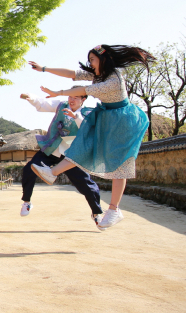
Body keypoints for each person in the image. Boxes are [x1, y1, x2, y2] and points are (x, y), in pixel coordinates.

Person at [29, 44, 154, 229]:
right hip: (107, 116)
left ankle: (114, 210)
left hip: (123, 121)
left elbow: (83, 91)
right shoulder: (99, 75)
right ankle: (53, 172)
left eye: (93, 60)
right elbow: (73, 73)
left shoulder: (113, 81)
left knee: (121, 164)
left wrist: (59, 93)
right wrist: (44, 69)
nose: (90, 63)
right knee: (85, 143)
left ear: (103, 59)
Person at [19, 90, 104, 229]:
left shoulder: (88, 113)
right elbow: (44, 103)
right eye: (70, 96)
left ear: (83, 99)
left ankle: (96, 213)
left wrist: (76, 116)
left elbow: (86, 129)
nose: (72, 100)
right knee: (29, 168)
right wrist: (31, 97)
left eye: (76, 97)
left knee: (86, 184)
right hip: (54, 148)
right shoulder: (61, 105)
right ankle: (27, 202)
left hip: (72, 155)